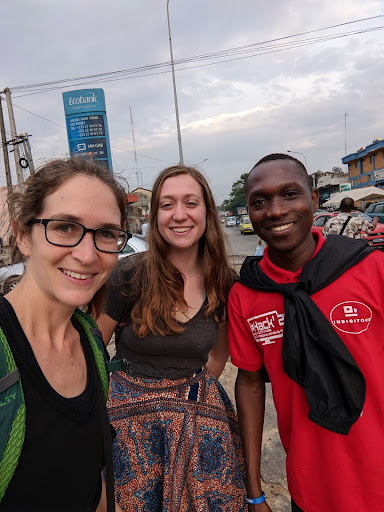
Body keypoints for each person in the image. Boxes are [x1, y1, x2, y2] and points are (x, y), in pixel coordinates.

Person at [227, 153, 384, 512]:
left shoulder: (371, 268)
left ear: (313, 200)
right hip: (311, 489)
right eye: (260, 201)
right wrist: (254, 491)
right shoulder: (247, 294)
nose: (276, 210)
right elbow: (249, 383)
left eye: (290, 194)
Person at [96, 164, 246, 511]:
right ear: (155, 215)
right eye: (167, 204)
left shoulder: (224, 281)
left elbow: (217, 358)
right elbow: (91, 347)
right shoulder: (129, 273)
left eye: (191, 203)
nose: (179, 215)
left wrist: (184, 400)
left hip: (197, 419)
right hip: (129, 427)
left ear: (208, 212)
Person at [0, 158, 129, 511]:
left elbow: (90, 477)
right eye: (65, 227)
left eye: (105, 233)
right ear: (24, 235)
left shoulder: (90, 341)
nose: (87, 255)